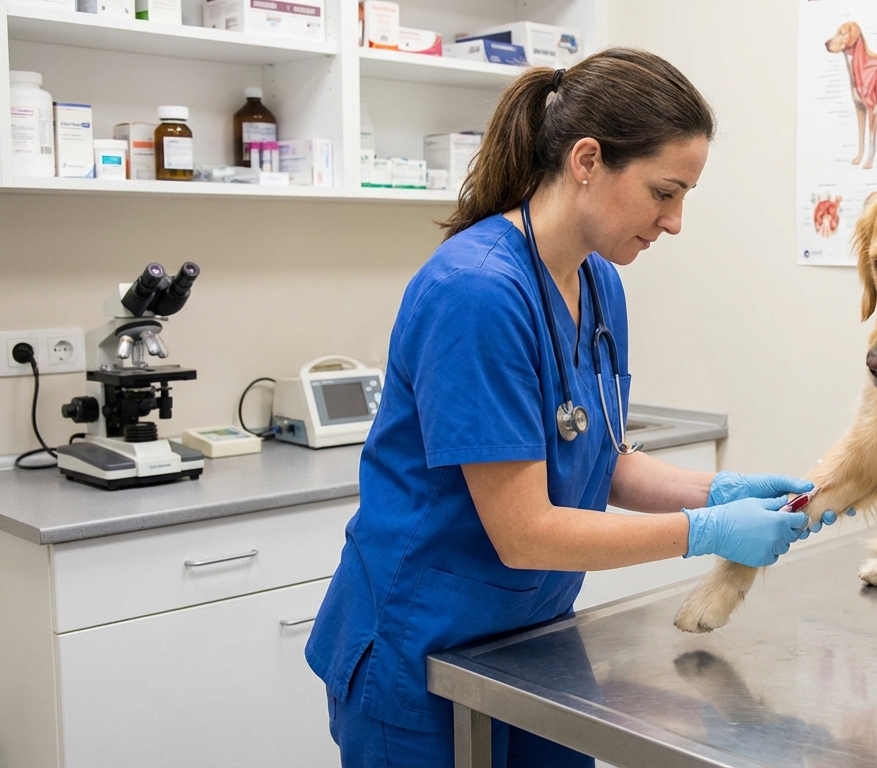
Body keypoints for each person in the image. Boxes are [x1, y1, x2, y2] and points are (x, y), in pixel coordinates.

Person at [306, 48, 836, 768]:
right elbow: (524, 532)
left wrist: (727, 490)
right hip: (421, 650)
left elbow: (598, 458)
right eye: (664, 192)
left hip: (532, 644)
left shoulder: (599, 284)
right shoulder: (478, 293)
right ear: (587, 160)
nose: (675, 221)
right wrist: (707, 530)